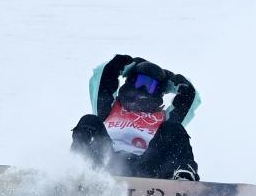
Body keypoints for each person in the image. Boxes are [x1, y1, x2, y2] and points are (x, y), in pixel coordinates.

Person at [70, 55, 201, 181]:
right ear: (131, 81)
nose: (144, 88)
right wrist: (129, 64)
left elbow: (189, 95)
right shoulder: (108, 108)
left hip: (147, 167)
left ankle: (184, 177)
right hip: (106, 161)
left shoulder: (164, 119)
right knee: (89, 120)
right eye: (141, 82)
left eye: (151, 85)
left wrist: (167, 79)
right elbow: (105, 74)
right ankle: (75, 171)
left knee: (174, 128)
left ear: (158, 91)